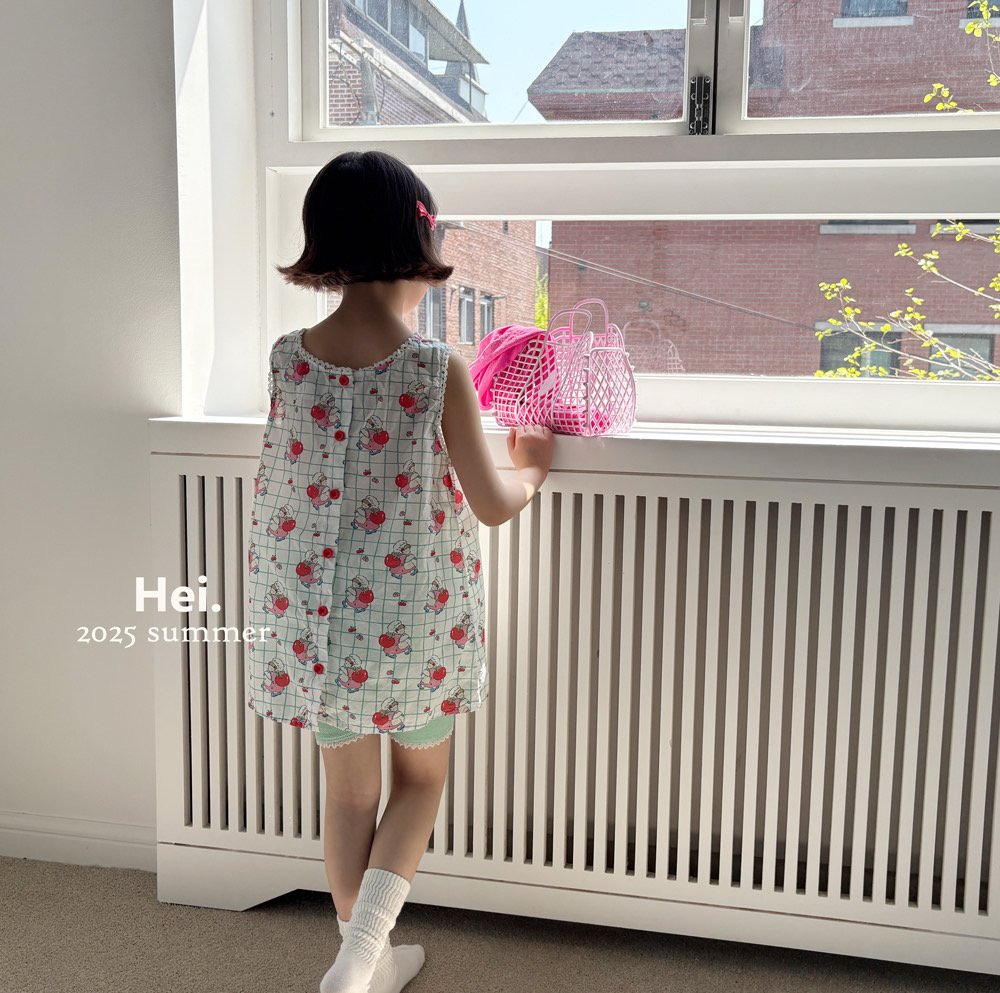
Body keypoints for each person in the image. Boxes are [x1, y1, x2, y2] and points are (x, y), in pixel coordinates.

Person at [245, 149, 554, 993]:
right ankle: (360, 960)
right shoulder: (433, 366)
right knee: (420, 781)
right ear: (418, 245)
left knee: (348, 797)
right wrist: (532, 468)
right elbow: (491, 501)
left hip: (313, 623)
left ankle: (362, 959)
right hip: (412, 623)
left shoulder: (286, 358)